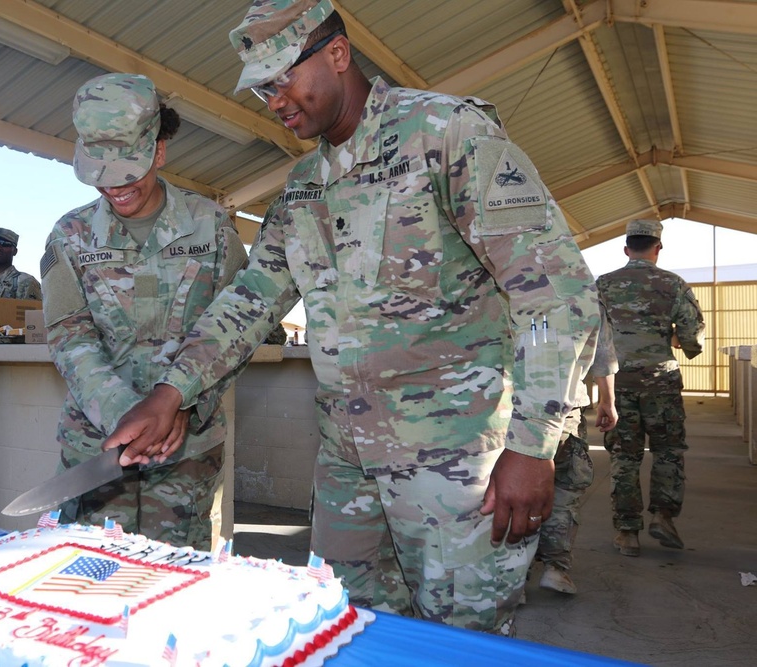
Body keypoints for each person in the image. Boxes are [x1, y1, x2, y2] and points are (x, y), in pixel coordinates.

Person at [101, 0, 600, 636]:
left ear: (337, 54)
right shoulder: (303, 185)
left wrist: (534, 445)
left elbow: (555, 293)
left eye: (283, 77)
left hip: (452, 464)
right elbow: (253, 297)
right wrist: (171, 392)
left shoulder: (444, 133)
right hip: (346, 461)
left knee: (460, 642)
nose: (274, 101)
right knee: (348, 630)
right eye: (261, 89)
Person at [39, 73, 248, 550]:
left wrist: (183, 402)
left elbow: (237, 327)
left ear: (158, 151)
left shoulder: (210, 227)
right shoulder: (68, 237)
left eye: (128, 170)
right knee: (87, 587)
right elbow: (70, 337)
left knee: (175, 588)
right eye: (100, 174)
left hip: (186, 452)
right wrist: (127, 413)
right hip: (98, 451)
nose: (115, 188)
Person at [596, 219, 705, 557]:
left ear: (627, 249)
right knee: (668, 451)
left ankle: (627, 533)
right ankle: (663, 515)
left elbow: (592, 338)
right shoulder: (673, 284)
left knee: (624, 457)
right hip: (661, 382)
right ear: (657, 248)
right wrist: (672, 338)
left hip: (619, 383)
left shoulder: (603, 285)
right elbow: (692, 338)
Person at [535, 303, 618, 595]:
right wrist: (608, 402)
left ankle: (513, 575)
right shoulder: (584, 292)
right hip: (564, 409)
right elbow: (603, 360)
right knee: (565, 487)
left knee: (511, 487)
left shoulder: (501, 279)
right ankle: (556, 568)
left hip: (507, 409)